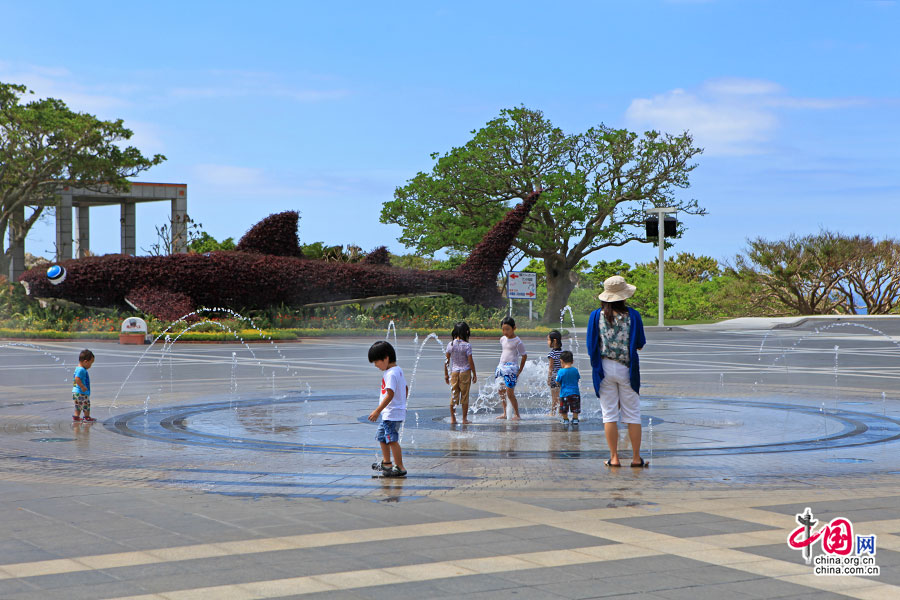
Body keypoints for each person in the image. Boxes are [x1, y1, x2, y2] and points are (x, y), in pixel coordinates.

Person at [586, 275, 647, 467]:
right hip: (627, 369)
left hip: (603, 369)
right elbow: (640, 343)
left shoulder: (596, 316)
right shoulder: (634, 316)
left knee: (609, 415)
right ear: (624, 296)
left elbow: (590, 345)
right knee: (633, 414)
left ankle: (614, 458)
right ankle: (636, 458)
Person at [368, 341, 408, 477]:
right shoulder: (398, 370)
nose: (376, 365)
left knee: (392, 440)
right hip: (390, 413)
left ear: (386, 358)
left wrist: (377, 410)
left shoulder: (391, 373)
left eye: (376, 362)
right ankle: (387, 463)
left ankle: (400, 467)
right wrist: (402, 403)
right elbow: (405, 388)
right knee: (382, 437)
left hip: (391, 414)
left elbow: (390, 394)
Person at [444, 321, 477, 425]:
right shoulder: (467, 345)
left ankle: (453, 418)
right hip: (465, 372)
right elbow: (470, 361)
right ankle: (464, 419)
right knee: (465, 396)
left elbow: (446, 361)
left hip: (454, 372)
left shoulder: (450, 344)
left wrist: (446, 374)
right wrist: (474, 374)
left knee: (454, 395)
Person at [494, 316, 527, 420]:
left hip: (511, 369)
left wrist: (520, 370)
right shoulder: (502, 339)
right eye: (503, 329)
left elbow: (524, 355)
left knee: (510, 392)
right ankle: (505, 413)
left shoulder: (518, 342)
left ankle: (517, 414)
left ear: (514, 328)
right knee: (501, 391)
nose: (505, 332)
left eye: (507, 329)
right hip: (501, 367)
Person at [555, 350, 581, 425]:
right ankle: (575, 419)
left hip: (564, 394)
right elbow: (577, 379)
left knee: (564, 409)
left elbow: (557, 381)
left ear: (561, 361)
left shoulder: (561, 371)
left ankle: (565, 419)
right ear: (572, 361)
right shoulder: (575, 370)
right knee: (575, 408)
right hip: (575, 393)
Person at [72, 349, 96, 422]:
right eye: (90, 363)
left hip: (76, 392)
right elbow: (77, 378)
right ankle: (87, 417)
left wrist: (77, 387)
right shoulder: (81, 370)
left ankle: (76, 416)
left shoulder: (77, 368)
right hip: (81, 392)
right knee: (86, 405)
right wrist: (82, 387)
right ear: (85, 362)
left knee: (78, 406)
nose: (90, 366)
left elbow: (75, 379)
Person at [546, 330, 563, 416]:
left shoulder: (552, 354)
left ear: (554, 341)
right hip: (562, 377)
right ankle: (561, 412)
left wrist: (549, 378)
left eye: (548, 340)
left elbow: (551, 367)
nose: (547, 342)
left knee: (554, 397)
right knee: (560, 396)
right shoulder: (562, 352)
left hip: (554, 377)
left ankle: (552, 413)